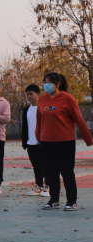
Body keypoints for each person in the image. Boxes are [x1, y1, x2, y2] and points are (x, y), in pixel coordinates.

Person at [36, 72, 93, 211]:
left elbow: (79, 120)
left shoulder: (68, 99)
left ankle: (71, 201)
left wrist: (88, 140)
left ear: (58, 84)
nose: (46, 85)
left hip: (65, 142)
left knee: (67, 172)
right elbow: (39, 121)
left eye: (49, 82)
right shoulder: (42, 100)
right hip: (46, 142)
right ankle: (54, 200)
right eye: (44, 81)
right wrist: (38, 137)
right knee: (51, 172)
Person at [21, 84, 48, 197]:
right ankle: (39, 186)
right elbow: (25, 126)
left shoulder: (44, 107)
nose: (29, 96)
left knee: (46, 165)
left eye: (31, 93)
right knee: (36, 166)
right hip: (31, 142)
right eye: (27, 94)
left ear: (38, 94)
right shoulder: (26, 109)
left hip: (43, 142)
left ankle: (48, 187)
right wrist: (24, 141)